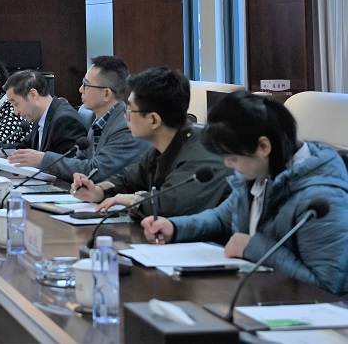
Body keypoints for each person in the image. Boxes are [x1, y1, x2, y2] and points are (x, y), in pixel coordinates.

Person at [142, 91, 348, 296]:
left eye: (232, 158)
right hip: (261, 295)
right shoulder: (260, 174)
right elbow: (221, 218)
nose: (227, 164)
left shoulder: (322, 199)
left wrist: (254, 247)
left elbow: (326, 286)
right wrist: (175, 228)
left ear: (263, 147)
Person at [72, 66, 230, 219]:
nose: (125, 116)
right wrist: (98, 191)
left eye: (130, 110)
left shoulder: (201, 155)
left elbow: (170, 205)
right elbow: (127, 179)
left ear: (154, 120)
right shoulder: (162, 147)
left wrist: (130, 200)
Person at [6, 56, 149, 182]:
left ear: (106, 94)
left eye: (86, 85)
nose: (80, 89)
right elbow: (79, 163)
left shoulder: (126, 127)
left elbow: (97, 171)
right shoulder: (98, 122)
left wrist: (43, 160)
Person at [2, 70, 87, 156]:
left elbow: (70, 162)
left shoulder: (64, 121)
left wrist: (42, 160)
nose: (16, 112)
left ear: (33, 95)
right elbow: (22, 147)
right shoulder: (40, 115)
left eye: (16, 104)